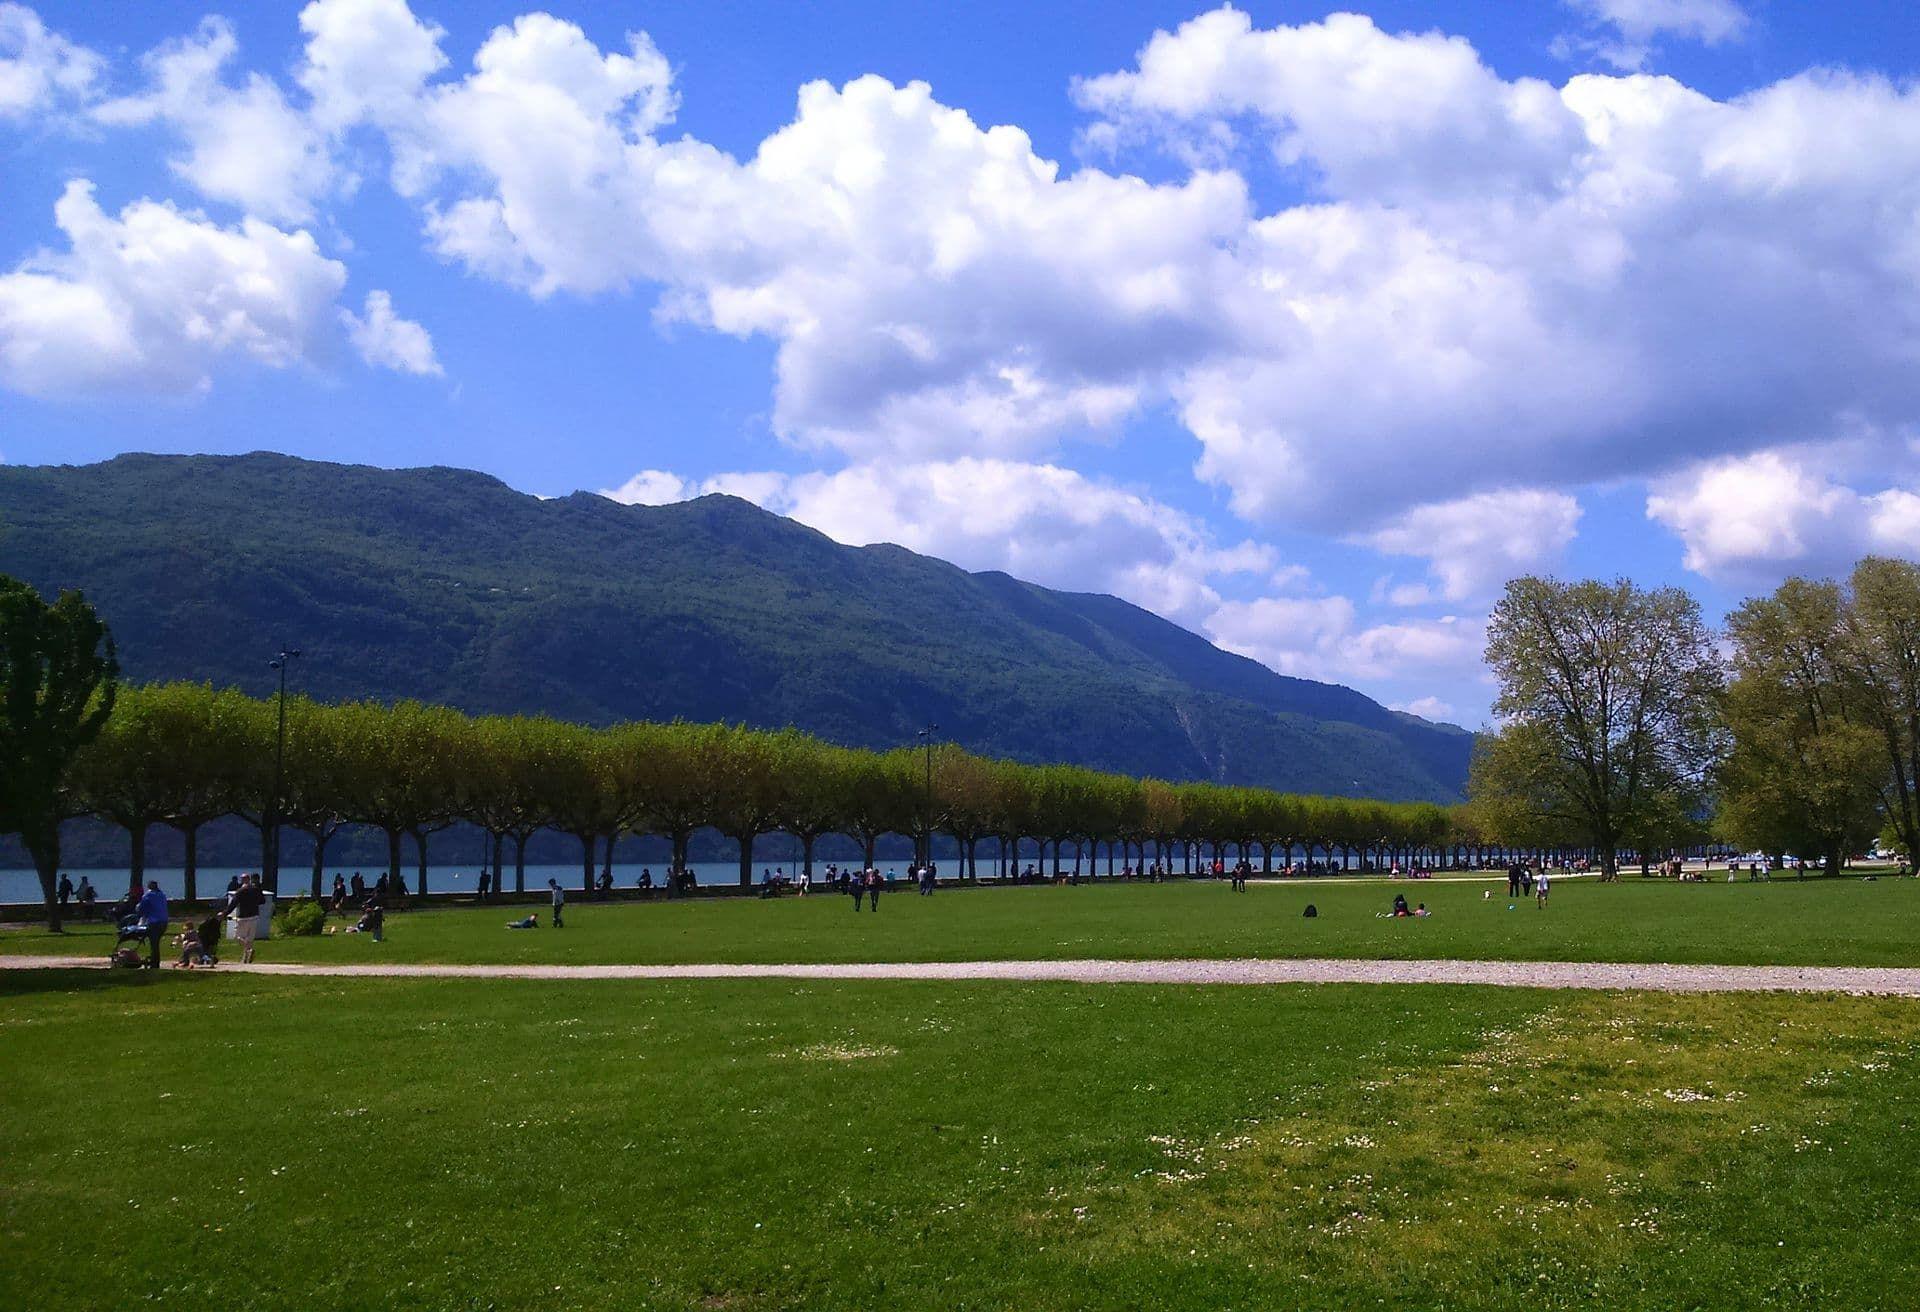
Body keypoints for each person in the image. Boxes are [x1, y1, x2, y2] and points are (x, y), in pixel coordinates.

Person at [228, 873, 265, 964]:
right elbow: (262, 901)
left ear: (243, 880)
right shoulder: (257, 890)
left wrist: (225, 913)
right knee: (250, 939)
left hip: (244, 917)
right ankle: (245, 959)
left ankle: (249, 950)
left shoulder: (241, 891)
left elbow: (233, 904)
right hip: (255, 916)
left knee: (237, 936)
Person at [136, 880, 168, 969]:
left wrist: (139, 915)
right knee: (156, 943)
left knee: (154, 944)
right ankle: (155, 962)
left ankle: (155, 964)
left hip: (154, 922)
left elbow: (142, 908)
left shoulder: (148, 896)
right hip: (164, 922)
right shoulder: (162, 895)